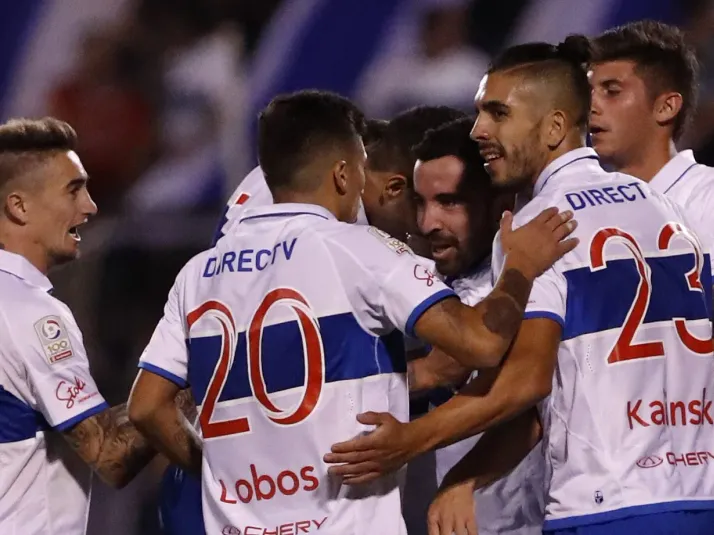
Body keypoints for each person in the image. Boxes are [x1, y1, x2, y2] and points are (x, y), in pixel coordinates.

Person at [127, 90, 576, 534]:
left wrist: (217, 473)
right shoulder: (360, 251)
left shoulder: (197, 273)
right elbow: (481, 343)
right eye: (362, 167)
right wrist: (520, 266)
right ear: (343, 174)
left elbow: (145, 407)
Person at [324, 37, 714, 534]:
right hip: (697, 495)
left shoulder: (540, 225)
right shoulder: (665, 208)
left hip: (607, 503)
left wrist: (409, 440)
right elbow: (543, 402)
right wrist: (465, 477)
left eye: (498, 113)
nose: (479, 131)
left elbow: (526, 380)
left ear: (554, 127)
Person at [159, 103, 466, 535]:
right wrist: (422, 375)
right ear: (396, 186)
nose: (427, 224)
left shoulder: (298, 190)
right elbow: (276, 365)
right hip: (252, 483)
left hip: (257, 473)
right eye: (427, 202)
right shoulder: (319, 223)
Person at [0, 117, 178, 535]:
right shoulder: (32, 313)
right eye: (73, 190)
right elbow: (110, 454)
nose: (90, 206)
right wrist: (194, 378)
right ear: (19, 206)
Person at [411, 117, 543, 535]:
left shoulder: (527, 286)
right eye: (420, 202)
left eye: (449, 202)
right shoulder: (430, 286)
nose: (428, 223)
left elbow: (530, 404)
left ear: (500, 202)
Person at [588, 20, 714, 274]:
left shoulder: (707, 198)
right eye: (588, 92)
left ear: (666, 107)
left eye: (611, 91)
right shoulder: (581, 209)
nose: (591, 106)